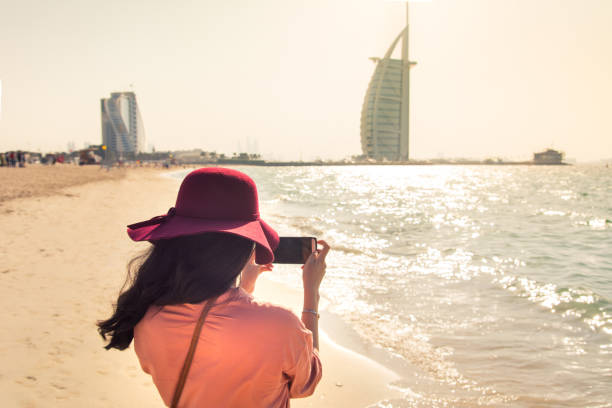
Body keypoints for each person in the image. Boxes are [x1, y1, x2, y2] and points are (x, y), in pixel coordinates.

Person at [97, 167, 328, 407]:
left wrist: (244, 287)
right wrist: (312, 293)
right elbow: (306, 383)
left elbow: (210, 338)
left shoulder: (145, 317)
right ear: (245, 245)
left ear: (176, 238)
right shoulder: (279, 323)